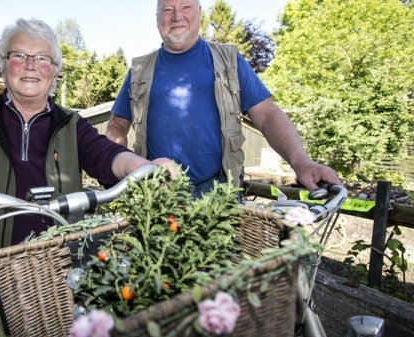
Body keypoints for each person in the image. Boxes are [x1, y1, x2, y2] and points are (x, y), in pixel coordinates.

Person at [0, 18, 177, 272]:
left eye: (42, 58)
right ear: (3, 65)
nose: (31, 66)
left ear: (55, 71)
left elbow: (106, 154)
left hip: (53, 271)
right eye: (19, 55)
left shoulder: (70, 123)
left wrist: (145, 167)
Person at [106, 0, 341, 198]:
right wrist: (125, 172)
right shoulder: (140, 70)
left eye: (186, 6)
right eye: (167, 9)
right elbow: (117, 125)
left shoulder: (229, 60)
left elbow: (267, 115)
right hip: (158, 192)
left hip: (220, 191)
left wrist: (301, 163)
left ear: (199, 13)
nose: (177, 16)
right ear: (157, 18)